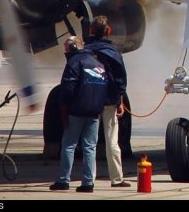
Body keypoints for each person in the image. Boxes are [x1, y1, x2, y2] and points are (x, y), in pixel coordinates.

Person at [50, 36, 108, 193]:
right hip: (94, 113)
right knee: (90, 148)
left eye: (66, 48)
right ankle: (88, 183)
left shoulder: (74, 63)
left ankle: (63, 180)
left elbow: (68, 88)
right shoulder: (98, 64)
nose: (65, 52)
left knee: (69, 146)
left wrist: (63, 108)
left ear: (73, 47)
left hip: (76, 112)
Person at [84, 15, 131, 188]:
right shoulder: (113, 52)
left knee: (90, 142)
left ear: (91, 30)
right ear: (108, 31)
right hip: (109, 100)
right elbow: (120, 78)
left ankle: (89, 180)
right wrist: (120, 99)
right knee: (112, 140)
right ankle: (116, 179)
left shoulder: (84, 51)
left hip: (89, 99)